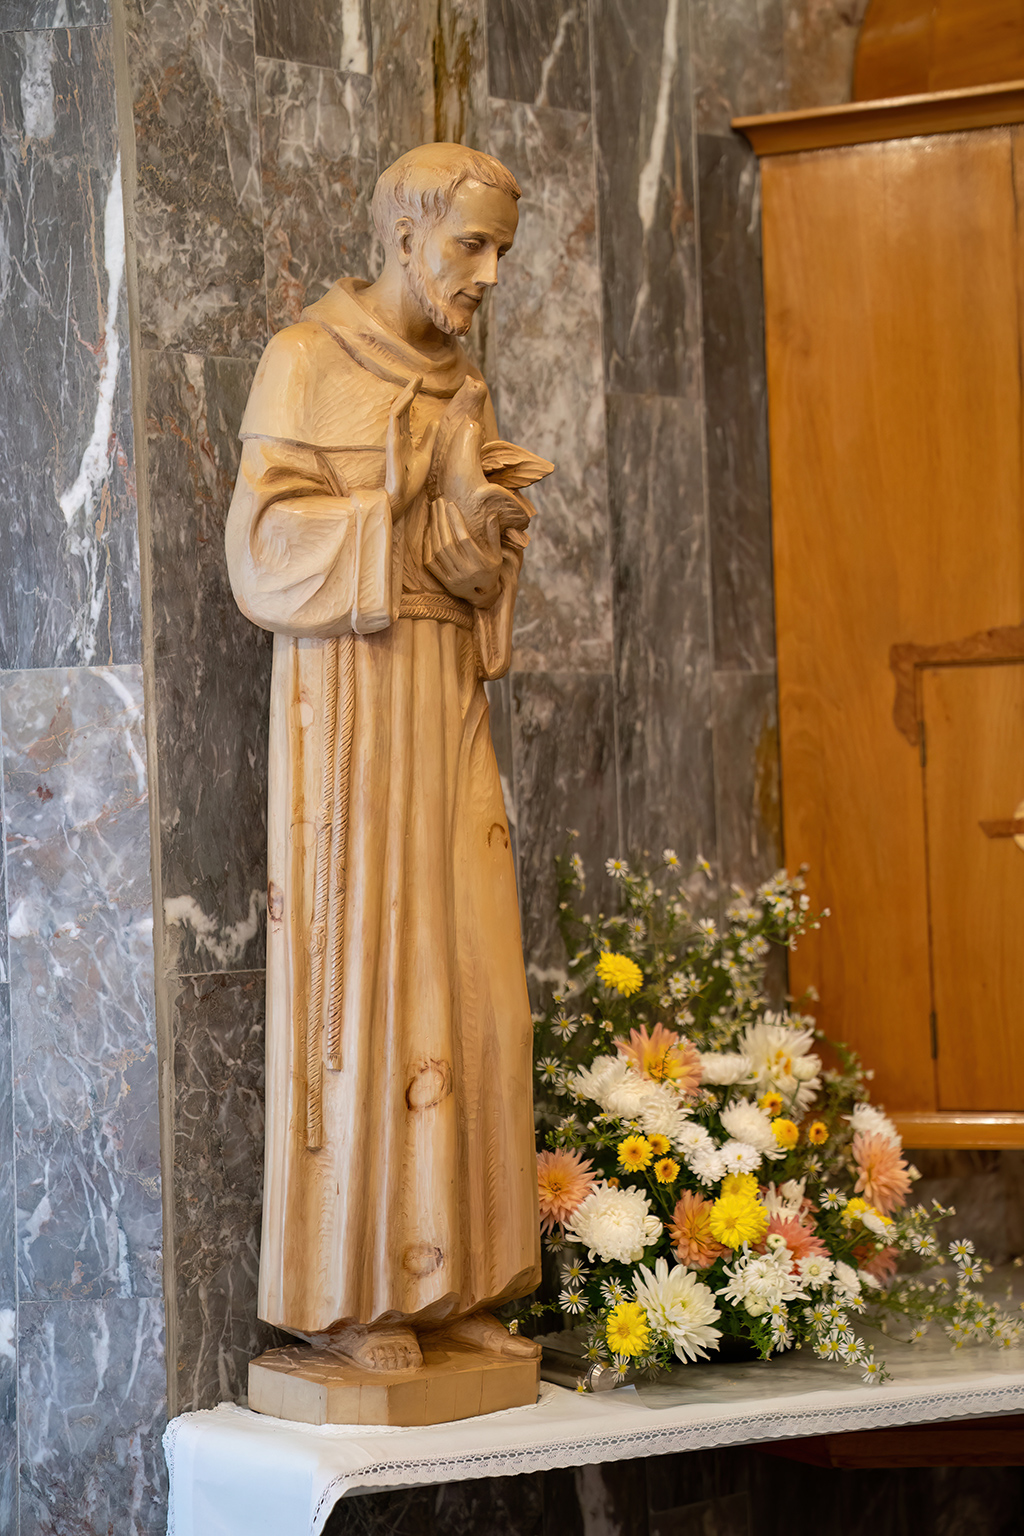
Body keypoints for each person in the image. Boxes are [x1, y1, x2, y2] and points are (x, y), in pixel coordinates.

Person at [225, 143, 549, 1372]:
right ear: (405, 236)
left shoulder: (465, 384)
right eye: (472, 244)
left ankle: (457, 1276)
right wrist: (394, 498)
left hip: (443, 695)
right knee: (368, 974)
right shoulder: (308, 359)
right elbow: (259, 551)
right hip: (352, 709)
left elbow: (475, 569)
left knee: (472, 980)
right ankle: (360, 1293)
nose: (489, 273)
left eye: (500, 249)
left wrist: (481, 543)